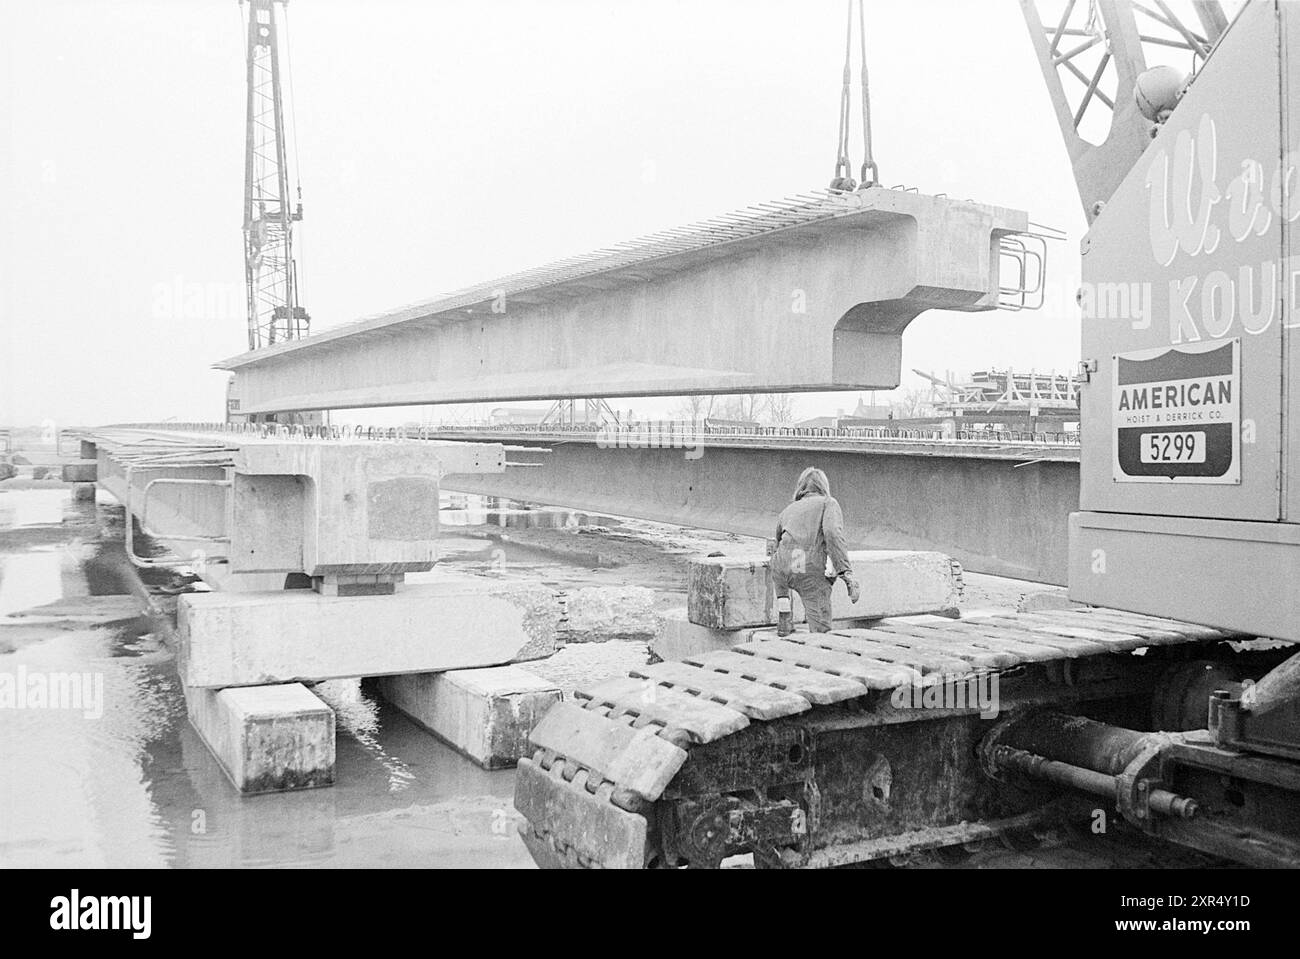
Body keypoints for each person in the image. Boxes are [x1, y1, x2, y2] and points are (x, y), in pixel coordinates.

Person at [771, 467, 860, 634]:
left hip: (782, 567)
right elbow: (833, 534)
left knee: (788, 575)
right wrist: (845, 570)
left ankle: (785, 615)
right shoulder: (828, 503)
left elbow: (776, 542)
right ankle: (818, 639)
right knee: (820, 628)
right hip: (808, 568)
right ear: (823, 487)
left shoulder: (787, 510)